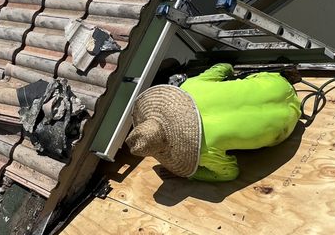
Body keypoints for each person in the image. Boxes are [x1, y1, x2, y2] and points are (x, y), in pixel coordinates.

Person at [125, 63, 301, 181]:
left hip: (285, 125)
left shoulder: (200, 151)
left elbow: (229, 173)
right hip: (279, 84)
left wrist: (191, 174)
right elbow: (224, 67)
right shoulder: (189, 87)